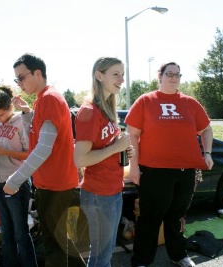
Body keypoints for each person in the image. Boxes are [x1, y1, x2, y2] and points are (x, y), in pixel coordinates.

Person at [125, 62, 214, 267]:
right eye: (169, 74)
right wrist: (134, 166)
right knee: (150, 219)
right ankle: (141, 261)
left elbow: (207, 129)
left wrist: (207, 152)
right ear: (160, 76)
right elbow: (132, 136)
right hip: (154, 172)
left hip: (186, 172)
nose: (173, 78)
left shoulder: (190, 103)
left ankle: (178, 255)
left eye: (177, 74)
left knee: (177, 217)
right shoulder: (145, 101)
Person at [3, 53, 84, 267]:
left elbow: (43, 149)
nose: (19, 83)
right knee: (60, 241)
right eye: (16, 79)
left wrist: (14, 181)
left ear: (38, 73)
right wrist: (27, 112)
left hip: (55, 185)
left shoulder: (49, 98)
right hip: (52, 183)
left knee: (55, 247)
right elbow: (40, 138)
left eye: (21, 77)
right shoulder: (43, 99)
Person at [73, 57, 134, 267]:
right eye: (115, 74)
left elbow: (106, 147)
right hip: (99, 194)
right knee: (101, 258)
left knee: (103, 256)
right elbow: (79, 159)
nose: (121, 79)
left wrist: (123, 149)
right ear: (100, 75)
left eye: (123, 74)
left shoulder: (107, 109)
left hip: (112, 190)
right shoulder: (89, 111)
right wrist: (114, 148)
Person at [0, 85, 38, 267]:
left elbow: (31, 154)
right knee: (6, 232)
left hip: (16, 182)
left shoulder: (20, 123)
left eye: (0, 114)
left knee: (20, 233)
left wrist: (2, 151)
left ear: (10, 107)